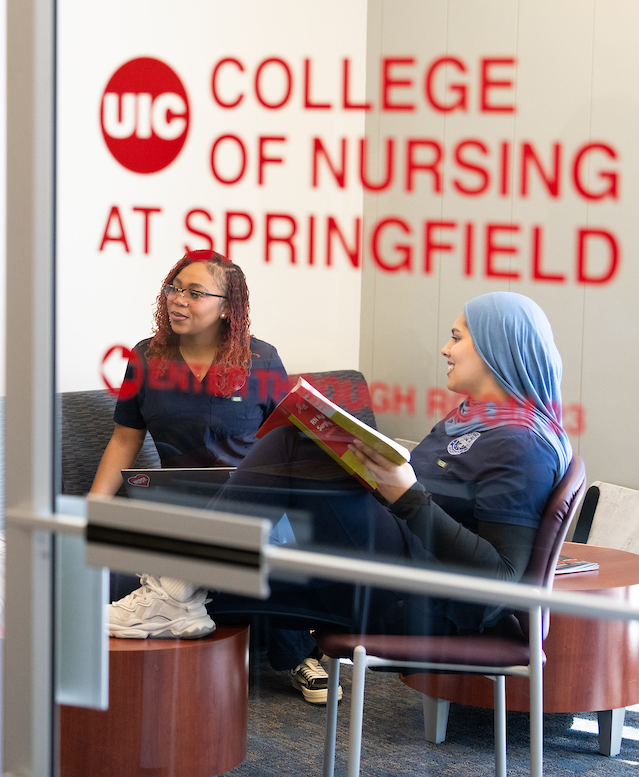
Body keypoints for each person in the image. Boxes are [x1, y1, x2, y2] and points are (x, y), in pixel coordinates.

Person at [123, 292, 572, 704]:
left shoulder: (520, 443)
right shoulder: (471, 419)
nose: (445, 349)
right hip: (394, 572)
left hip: (427, 605)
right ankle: (175, 587)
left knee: (292, 446)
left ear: (496, 349)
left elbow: (501, 583)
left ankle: (179, 578)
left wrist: (407, 496)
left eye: (456, 338)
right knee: (172, 586)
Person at [90, 250, 288, 640]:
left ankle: (296, 655)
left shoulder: (261, 359)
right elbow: (125, 438)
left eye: (195, 293)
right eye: (174, 288)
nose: (178, 299)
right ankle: (185, 600)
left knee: (256, 560)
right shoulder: (146, 357)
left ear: (227, 308)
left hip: (248, 506)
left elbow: (289, 443)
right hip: (177, 506)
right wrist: (93, 508)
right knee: (104, 567)